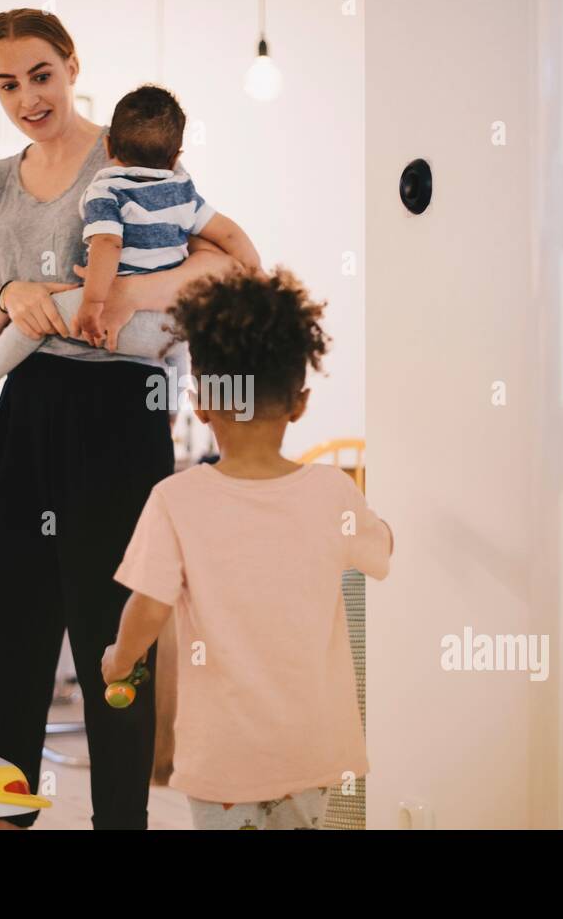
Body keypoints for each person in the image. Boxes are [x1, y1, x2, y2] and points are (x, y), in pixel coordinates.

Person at [0, 7, 237, 830]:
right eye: (7, 83)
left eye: (40, 75)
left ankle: (121, 818)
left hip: (122, 408)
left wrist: (105, 295)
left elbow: (218, 259)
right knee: (4, 627)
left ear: (71, 66)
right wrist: (14, 295)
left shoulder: (128, 153)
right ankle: (10, 812)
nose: (26, 98)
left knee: (115, 634)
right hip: (26, 409)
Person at [102, 268, 394, 830]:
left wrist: (120, 658)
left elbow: (149, 608)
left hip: (225, 759)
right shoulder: (334, 492)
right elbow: (381, 551)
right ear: (300, 403)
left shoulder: (176, 500)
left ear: (201, 403)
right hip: (311, 751)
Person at [0, 83, 259, 386]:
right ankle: (170, 406)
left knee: (42, 315)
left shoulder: (106, 189)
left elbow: (107, 242)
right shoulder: (183, 192)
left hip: (106, 324)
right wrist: (255, 270)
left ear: (108, 147)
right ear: (175, 157)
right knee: (179, 349)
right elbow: (229, 235)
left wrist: (93, 302)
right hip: (162, 331)